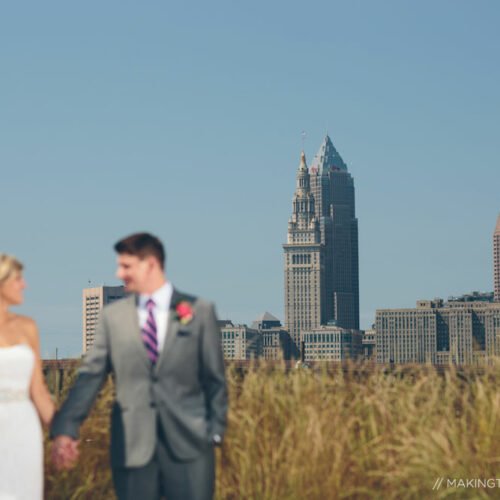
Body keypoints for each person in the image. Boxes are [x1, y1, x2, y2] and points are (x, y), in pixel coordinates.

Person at [51, 232, 228, 500]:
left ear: (150, 265)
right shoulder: (113, 318)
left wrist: (213, 434)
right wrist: (66, 428)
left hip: (191, 450)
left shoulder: (199, 311)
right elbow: (90, 377)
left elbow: (215, 380)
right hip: (133, 451)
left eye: (126, 266)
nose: (119, 273)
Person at [0, 253, 56, 500]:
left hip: (23, 431)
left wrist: (60, 434)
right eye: (18, 279)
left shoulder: (28, 326)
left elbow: (39, 391)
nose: (24, 285)